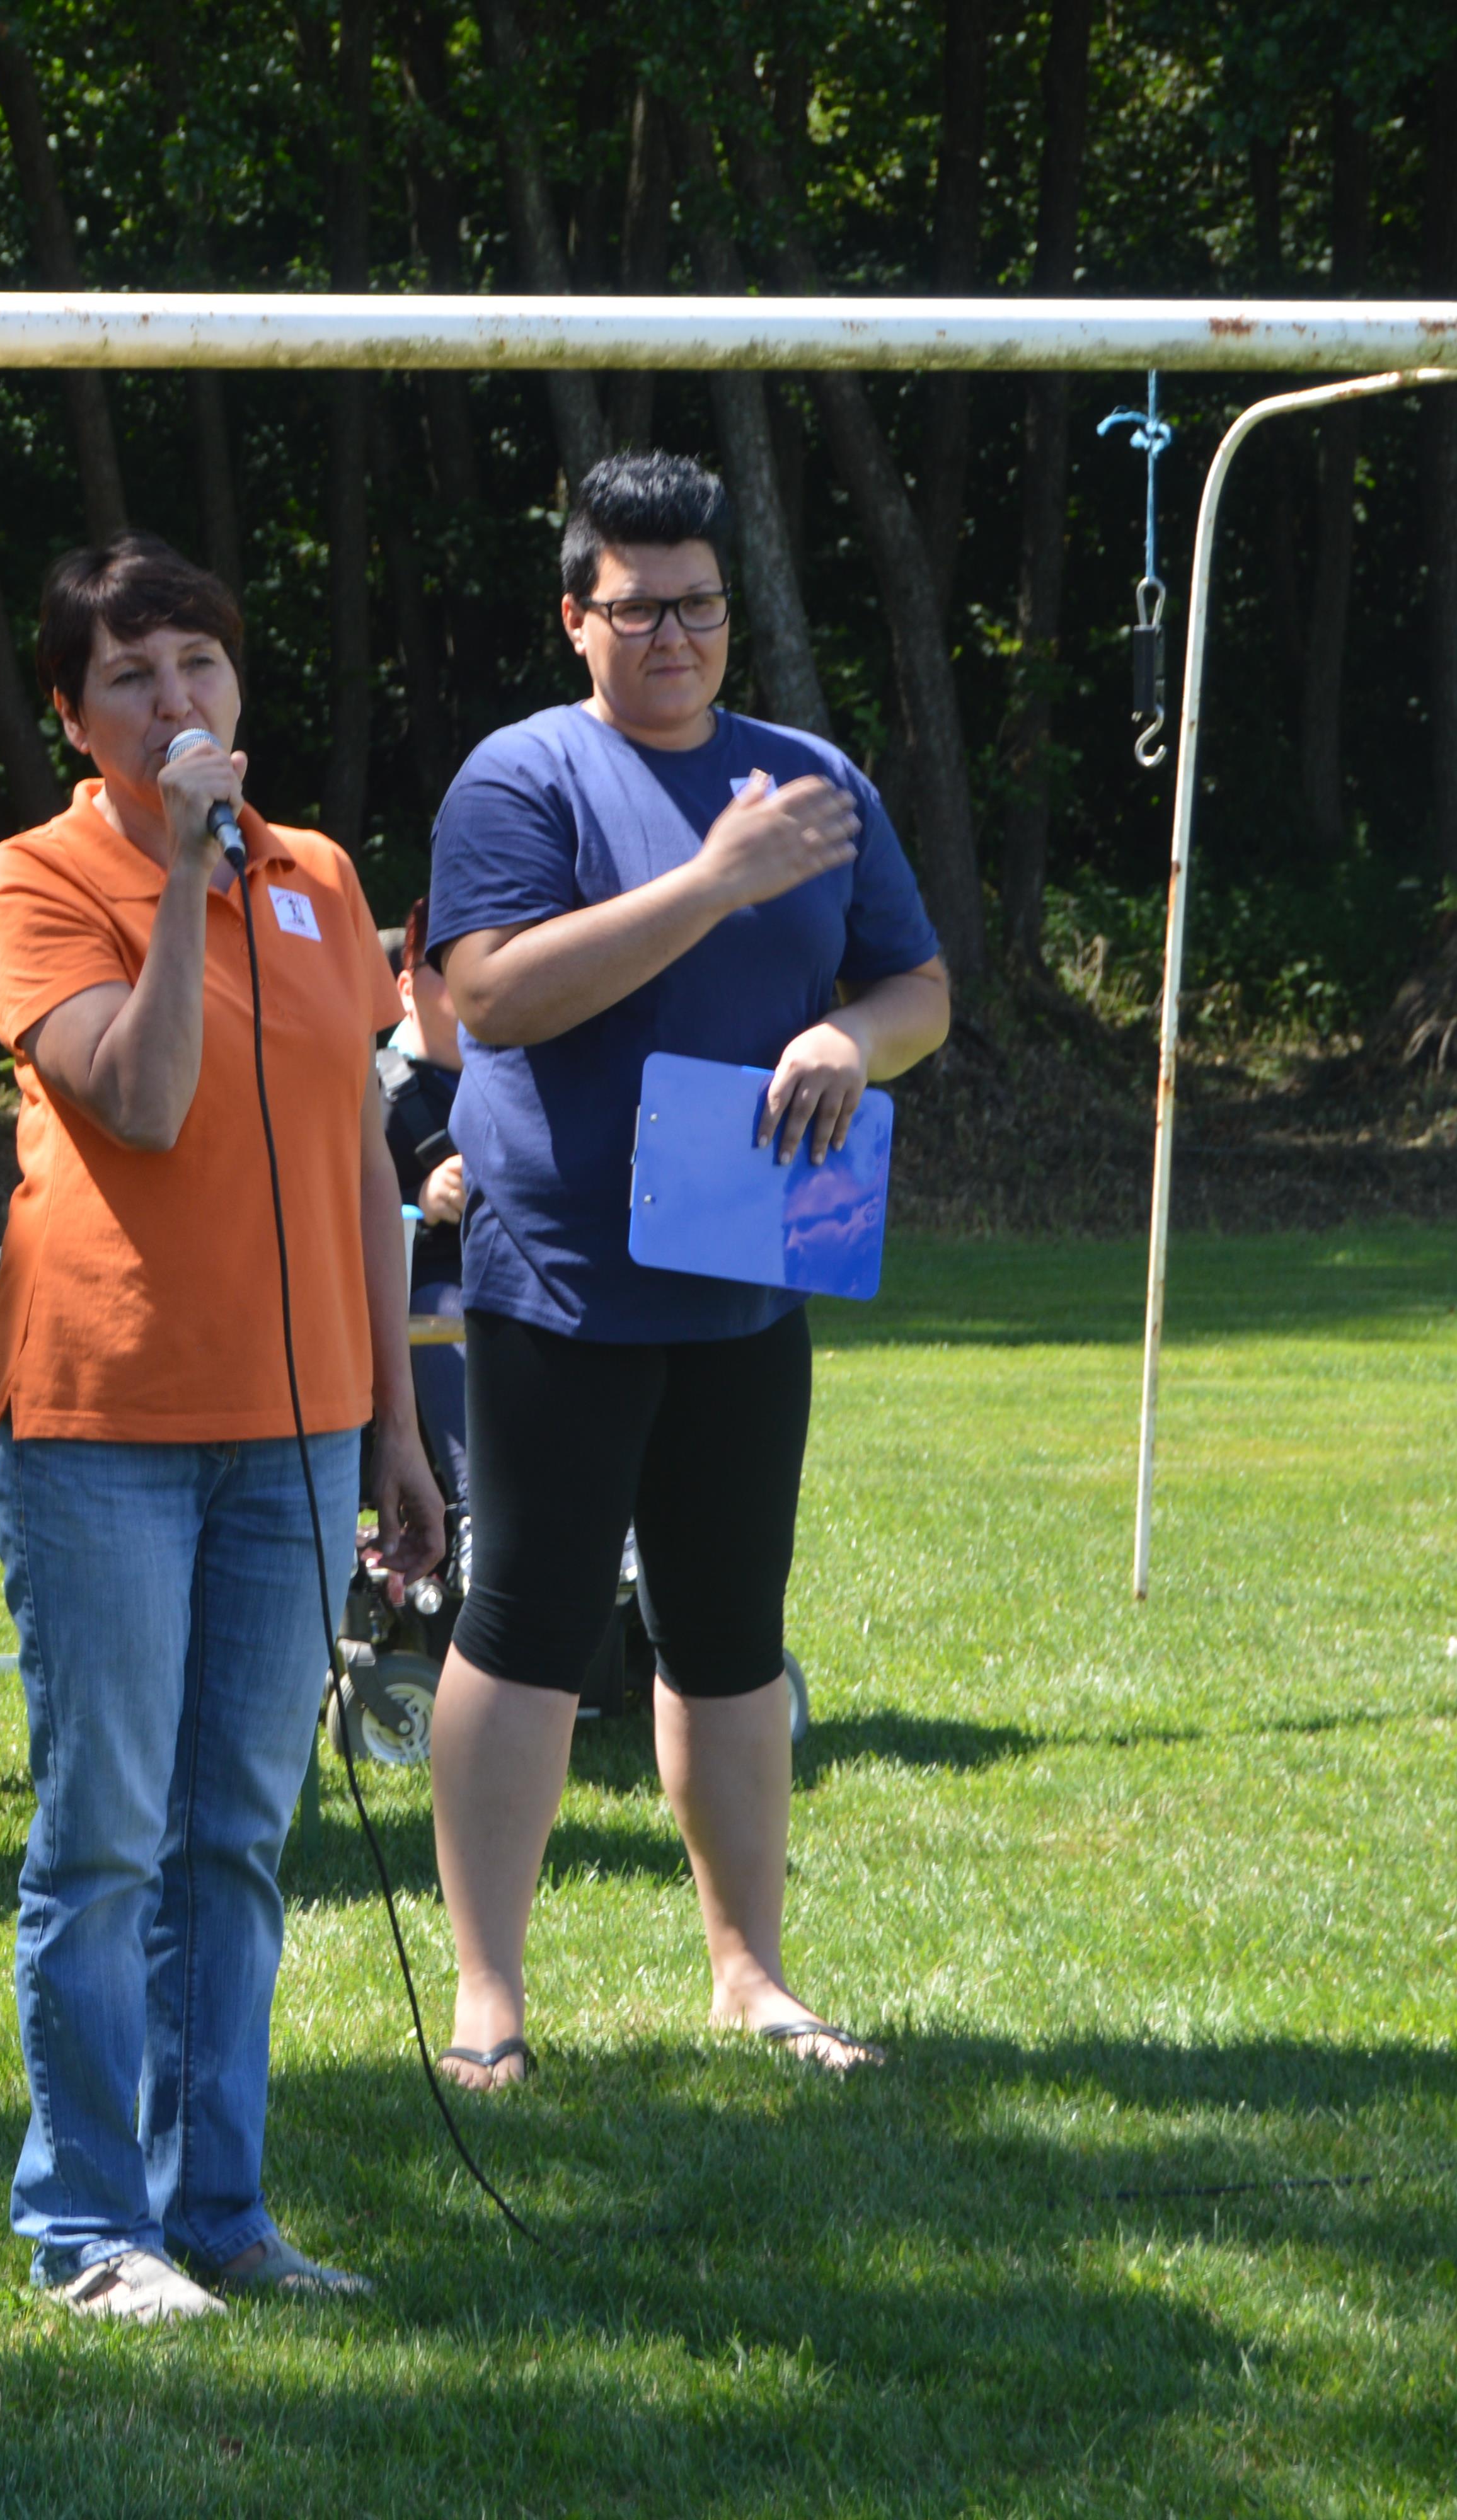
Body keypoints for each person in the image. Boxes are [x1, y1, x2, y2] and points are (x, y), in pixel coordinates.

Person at [418, 453, 948, 2092]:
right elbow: (492, 998)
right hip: (561, 1277)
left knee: (727, 1629)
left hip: (748, 1273)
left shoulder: (812, 779)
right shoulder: (522, 778)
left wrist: (850, 1039)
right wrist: (716, 881)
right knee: (527, 1622)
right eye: (640, 610)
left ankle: (750, 1977)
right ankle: (490, 2000)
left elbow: (917, 986)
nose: (675, 638)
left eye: (700, 607)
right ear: (574, 618)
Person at [0, 532, 446, 2322]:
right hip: (106, 1425)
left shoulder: (320, 875)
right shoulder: (35, 879)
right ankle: (90, 2228)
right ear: (72, 716)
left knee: (236, 1832)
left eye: (198, 664)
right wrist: (180, 880)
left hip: (303, 1432)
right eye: (129, 677)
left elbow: (359, 1164)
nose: (174, 698)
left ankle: (223, 2213)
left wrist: (395, 1418)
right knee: (106, 1839)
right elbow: (150, 1099)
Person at [377, 895, 468, 1509]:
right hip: (426, 1291)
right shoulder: (378, 1094)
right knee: (441, 1310)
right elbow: (338, 1212)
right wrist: (421, 1199)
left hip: (523, 1282)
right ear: (406, 989)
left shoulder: (523, 1079)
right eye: (449, 964)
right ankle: (474, 1509)